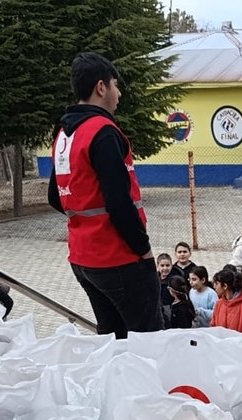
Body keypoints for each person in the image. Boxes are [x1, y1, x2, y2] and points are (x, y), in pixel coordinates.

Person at [47, 52, 162, 339]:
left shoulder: (65, 134)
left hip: (83, 260)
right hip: (119, 259)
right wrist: (143, 250)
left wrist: (85, 218)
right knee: (149, 343)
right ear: (101, 87)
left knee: (112, 340)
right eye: (115, 85)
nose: (118, 93)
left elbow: (54, 196)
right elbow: (120, 203)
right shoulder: (103, 132)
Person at [211, 267, 242, 334]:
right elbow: (213, 326)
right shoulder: (219, 304)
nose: (214, 286)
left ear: (225, 286)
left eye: (216, 283)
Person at [157, 253, 173, 328]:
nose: (165, 268)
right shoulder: (155, 278)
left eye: (167, 265)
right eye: (162, 265)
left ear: (171, 265)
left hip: (168, 306)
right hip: (158, 306)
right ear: (158, 266)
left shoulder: (173, 280)